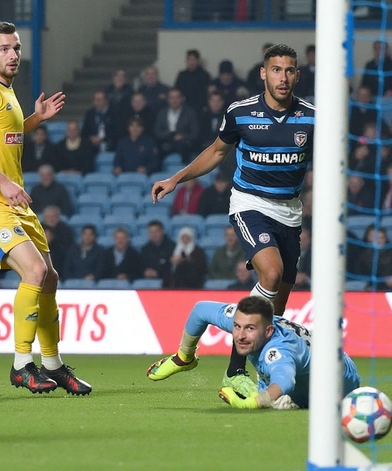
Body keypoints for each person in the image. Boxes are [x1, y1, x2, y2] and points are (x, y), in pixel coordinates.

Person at [151, 44, 315, 397]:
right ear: (263, 73)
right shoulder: (241, 113)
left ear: (297, 75)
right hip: (250, 203)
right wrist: (175, 179)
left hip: (290, 211)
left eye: (289, 71)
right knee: (269, 274)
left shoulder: (312, 116)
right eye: (275, 70)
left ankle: (205, 352)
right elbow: (216, 152)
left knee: (276, 309)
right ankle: (233, 371)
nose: (282, 77)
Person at [0, 21, 91, 395]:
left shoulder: (6, 93)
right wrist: (2, 181)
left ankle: (54, 365)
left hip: (14, 202)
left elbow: (1, 138)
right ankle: (21, 364)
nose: (12, 55)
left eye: (16, 48)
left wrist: (34, 120)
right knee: (33, 270)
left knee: (50, 277)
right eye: (4, 49)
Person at [147, 296, 360, 409]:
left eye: (249, 329)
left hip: (337, 388)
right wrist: (184, 356)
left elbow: (285, 382)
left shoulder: (277, 351)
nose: (239, 335)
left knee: (275, 399)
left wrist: (252, 403)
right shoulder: (249, 321)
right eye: (237, 326)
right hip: (331, 357)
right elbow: (200, 310)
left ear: (268, 331)